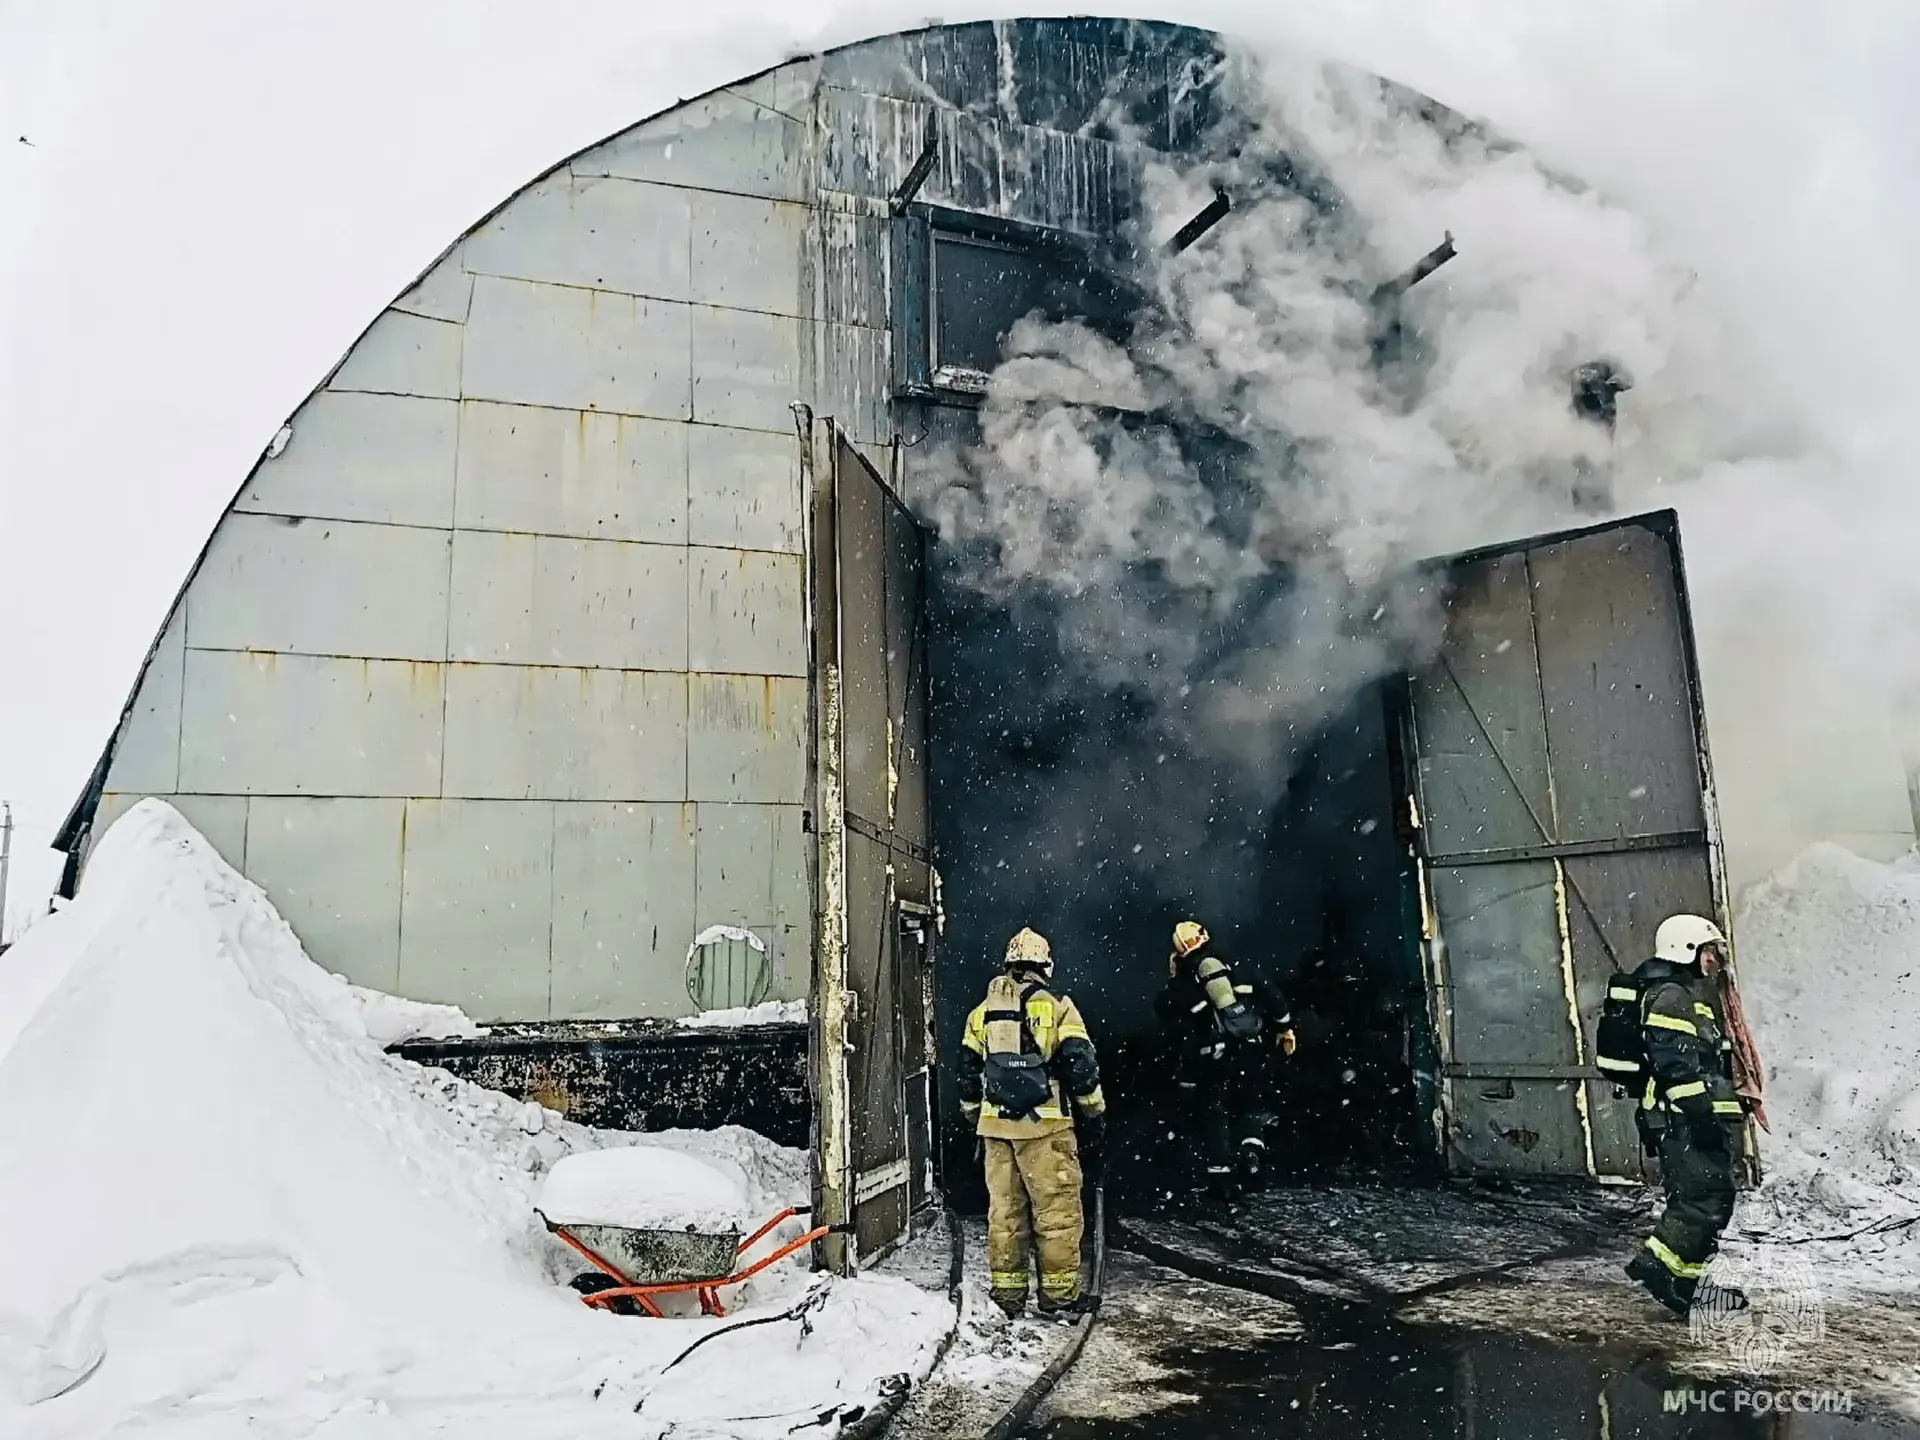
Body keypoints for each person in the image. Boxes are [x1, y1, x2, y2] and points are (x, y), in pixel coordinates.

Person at [956, 927, 1106, 1319]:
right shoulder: (1059, 1007)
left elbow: (967, 1075)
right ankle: (1058, 1296)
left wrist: (976, 1119)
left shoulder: (980, 1013)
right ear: (1045, 967)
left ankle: (1008, 1296)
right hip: (1046, 1129)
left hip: (996, 1129)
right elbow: (1081, 1066)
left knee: (1004, 1214)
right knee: (1056, 1213)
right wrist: (1094, 1114)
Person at [1611, 913, 1752, 1316]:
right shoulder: (1671, 997)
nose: (1712, 960)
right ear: (1684, 949)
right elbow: (1674, 1065)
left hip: (1691, 1117)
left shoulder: (1687, 996)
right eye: (1707, 952)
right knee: (1701, 1199)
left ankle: (1689, 1281)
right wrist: (1701, 1117)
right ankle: (1659, 1268)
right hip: (1683, 1119)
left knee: (1712, 1198)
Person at [1155, 920, 1295, 1210]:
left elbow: (1170, 1016)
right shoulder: (1235, 966)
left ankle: (1222, 1181)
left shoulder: (1185, 983)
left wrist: (1188, 1074)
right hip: (1249, 1050)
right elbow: (1271, 995)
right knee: (1250, 1106)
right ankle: (1251, 1153)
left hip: (1213, 1059)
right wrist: (1285, 1028)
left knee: (1215, 1116)